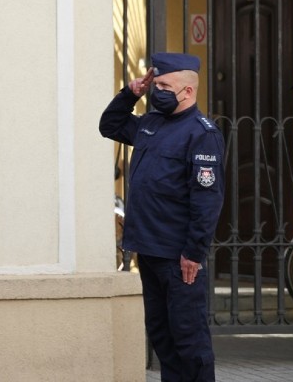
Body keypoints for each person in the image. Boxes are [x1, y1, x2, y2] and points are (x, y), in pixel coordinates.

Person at [99, 52, 224, 382]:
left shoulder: (201, 134)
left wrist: (194, 253)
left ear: (188, 91)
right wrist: (131, 93)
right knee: (162, 336)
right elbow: (108, 125)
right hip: (149, 250)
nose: (159, 91)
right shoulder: (151, 124)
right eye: (156, 84)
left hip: (178, 257)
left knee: (189, 339)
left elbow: (206, 200)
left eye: (166, 85)